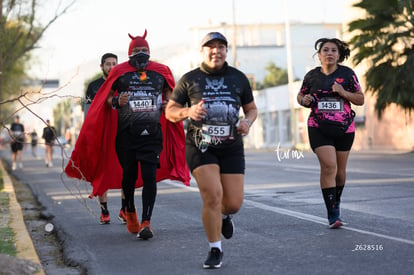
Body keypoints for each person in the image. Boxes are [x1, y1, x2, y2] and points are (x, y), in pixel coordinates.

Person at [65, 29, 190, 239]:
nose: (141, 53)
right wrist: (115, 101)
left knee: (150, 177)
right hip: (126, 136)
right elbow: (105, 97)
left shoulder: (161, 71)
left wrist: (169, 102)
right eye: (137, 50)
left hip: (152, 135)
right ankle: (130, 210)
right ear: (130, 52)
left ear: (149, 51)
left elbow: (170, 93)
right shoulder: (119, 72)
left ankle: (147, 222)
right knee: (129, 177)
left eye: (144, 50)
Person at [165, 32, 258, 269]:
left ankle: (225, 217)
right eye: (211, 47)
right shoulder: (189, 79)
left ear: (226, 51)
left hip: (231, 145)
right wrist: (188, 112)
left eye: (221, 47)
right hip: (200, 145)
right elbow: (170, 111)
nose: (216, 51)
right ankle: (215, 248)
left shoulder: (238, 78)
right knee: (213, 195)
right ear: (203, 51)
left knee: (233, 203)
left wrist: (247, 122)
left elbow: (251, 109)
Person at [297, 38, 364, 229]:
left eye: (333, 50)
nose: (329, 53)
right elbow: (300, 96)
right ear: (319, 55)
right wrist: (304, 100)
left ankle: (336, 201)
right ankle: (332, 214)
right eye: (325, 50)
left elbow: (360, 99)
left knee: (340, 172)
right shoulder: (311, 76)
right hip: (318, 127)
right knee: (329, 167)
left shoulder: (347, 75)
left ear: (338, 55)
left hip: (344, 128)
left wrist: (343, 92)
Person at [84, 53, 122, 225]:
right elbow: (87, 112)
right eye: (108, 64)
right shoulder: (93, 86)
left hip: (121, 133)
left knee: (125, 172)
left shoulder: (124, 83)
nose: (111, 67)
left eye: (114, 63)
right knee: (102, 173)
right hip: (101, 135)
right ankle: (104, 210)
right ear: (102, 66)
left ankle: (125, 209)